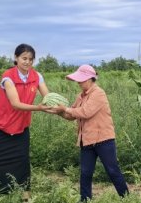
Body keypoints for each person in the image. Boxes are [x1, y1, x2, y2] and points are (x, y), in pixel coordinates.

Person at [0, 43, 52, 202]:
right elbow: (15, 103)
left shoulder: (37, 77)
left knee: (23, 162)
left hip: (21, 129)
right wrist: (39, 108)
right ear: (16, 58)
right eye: (24, 58)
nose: (27, 62)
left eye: (30, 59)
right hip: (0, 127)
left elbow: (48, 98)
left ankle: (26, 198)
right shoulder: (8, 77)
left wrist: (61, 109)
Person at [52, 64, 129, 202]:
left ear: (90, 79)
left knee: (112, 171)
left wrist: (66, 108)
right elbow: (71, 116)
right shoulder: (80, 96)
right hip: (86, 140)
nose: (78, 83)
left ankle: (128, 198)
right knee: (85, 173)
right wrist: (59, 112)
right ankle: (85, 200)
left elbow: (85, 112)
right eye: (78, 80)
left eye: (81, 80)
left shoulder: (98, 93)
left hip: (103, 139)